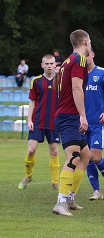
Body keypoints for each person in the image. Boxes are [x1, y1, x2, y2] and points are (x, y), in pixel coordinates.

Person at [52, 29, 93, 217]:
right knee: (74, 157)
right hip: (70, 116)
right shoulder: (79, 60)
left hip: (65, 114)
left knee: (85, 155)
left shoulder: (66, 62)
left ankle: (69, 198)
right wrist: (82, 115)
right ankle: (61, 203)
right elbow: (77, 87)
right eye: (90, 41)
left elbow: (58, 87)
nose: (90, 45)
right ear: (85, 42)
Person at [17, 54, 61, 190]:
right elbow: (32, 101)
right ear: (42, 65)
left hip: (54, 122)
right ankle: (28, 176)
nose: (49, 66)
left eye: (51, 63)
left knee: (54, 152)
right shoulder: (36, 81)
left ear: (55, 64)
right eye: (46, 64)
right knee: (31, 150)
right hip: (38, 121)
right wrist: (29, 119)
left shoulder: (61, 80)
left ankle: (55, 182)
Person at [84, 51, 104, 201]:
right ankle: (96, 191)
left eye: (87, 55)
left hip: (97, 123)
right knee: (87, 158)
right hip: (82, 124)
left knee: (95, 157)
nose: (85, 58)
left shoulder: (103, 73)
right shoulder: (77, 76)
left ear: (92, 54)